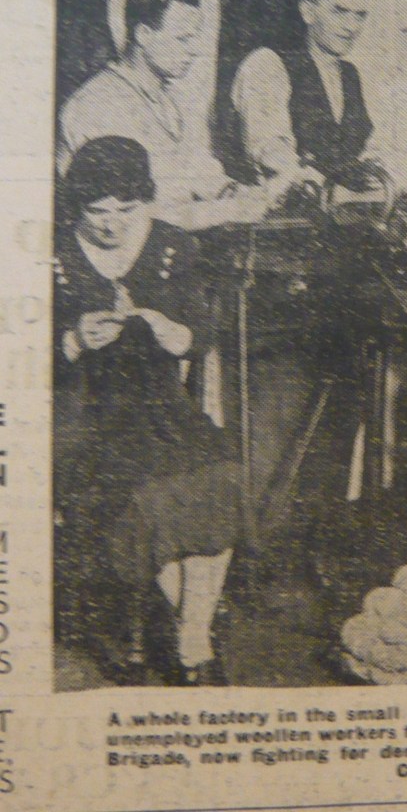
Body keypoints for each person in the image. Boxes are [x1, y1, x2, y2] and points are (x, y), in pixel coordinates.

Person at [54, 136, 240, 685]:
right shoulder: (51, 252)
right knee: (149, 496)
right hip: (80, 415)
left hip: (161, 409)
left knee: (221, 476)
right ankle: (190, 642)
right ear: (77, 205)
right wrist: (72, 341)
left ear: (145, 202)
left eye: (126, 210)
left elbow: (200, 336)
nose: (112, 224)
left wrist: (168, 330)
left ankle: (192, 632)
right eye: (97, 211)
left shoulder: (171, 246)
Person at [58, 0, 279, 230]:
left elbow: (197, 170)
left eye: (195, 37)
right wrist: (228, 209)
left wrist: (238, 192)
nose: (194, 49)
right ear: (143, 34)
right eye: (183, 38)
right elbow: (128, 215)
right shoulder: (97, 105)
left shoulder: (169, 100)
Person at [229, 0, 380, 192]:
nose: (351, 26)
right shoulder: (268, 64)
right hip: (286, 206)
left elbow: (363, 147)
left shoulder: (350, 74)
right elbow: (269, 150)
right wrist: (330, 189)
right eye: (339, 11)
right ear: (308, 12)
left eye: (359, 16)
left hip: (346, 206)